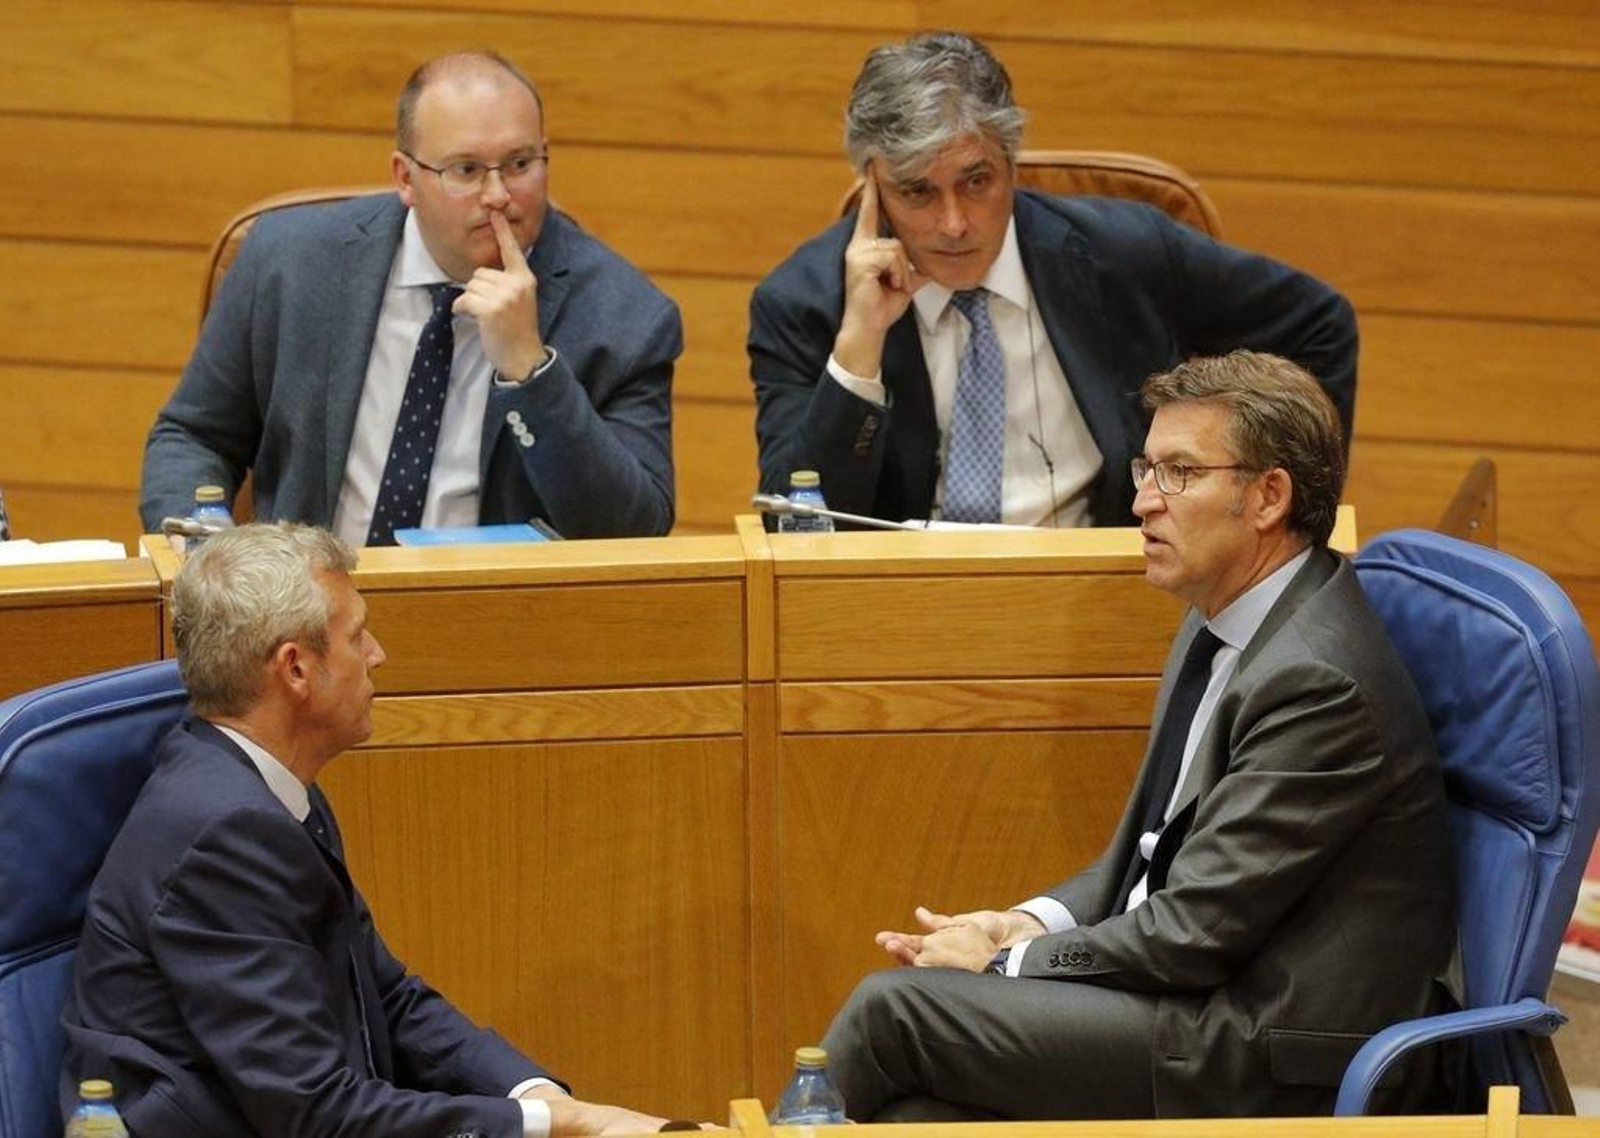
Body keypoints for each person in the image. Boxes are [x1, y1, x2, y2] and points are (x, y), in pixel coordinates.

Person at [817, 351, 1457, 1120]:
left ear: (1268, 497)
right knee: (919, 1117)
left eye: (1180, 473)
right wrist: (1026, 921)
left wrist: (1003, 962)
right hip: (1205, 993)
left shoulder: (1318, 683)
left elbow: (1191, 932)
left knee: (900, 1014)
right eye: (1145, 469)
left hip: (1274, 1045)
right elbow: (1147, 855)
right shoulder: (1216, 620)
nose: (1145, 503)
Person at [61, 523, 676, 1136]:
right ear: (296, 669)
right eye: (356, 635)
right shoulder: (225, 834)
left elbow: (381, 995)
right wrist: (554, 1127)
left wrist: (538, 1097)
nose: (377, 653)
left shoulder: (268, 787)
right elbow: (319, 1114)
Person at [749, 32, 1357, 529]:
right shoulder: (803, 303)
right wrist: (858, 349)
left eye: (977, 181)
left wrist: (1282, 521)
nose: (955, 222)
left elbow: (1320, 325)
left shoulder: (1126, 254)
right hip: (897, 615)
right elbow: (795, 529)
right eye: (917, 192)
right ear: (873, 185)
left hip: (1113, 594)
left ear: (1012, 163)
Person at [141, 51, 680, 544]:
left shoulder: (624, 316)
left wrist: (530, 372)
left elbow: (635, 529)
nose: (498, 196)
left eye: (519, 165)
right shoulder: (289, 263)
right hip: (302, 623)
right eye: (466, 170)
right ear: (405, 176)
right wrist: (206, 547)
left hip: (497, 625)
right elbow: (193, 435)